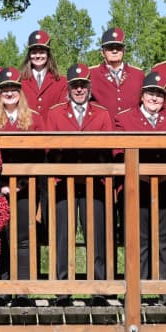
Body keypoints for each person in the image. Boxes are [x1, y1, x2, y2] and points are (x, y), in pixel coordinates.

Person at [114, 71, 166, 304]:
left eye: (159, 94)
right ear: (142, 95)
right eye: (150, 93)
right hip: (136, 189)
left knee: (165, 239)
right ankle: (139, 291)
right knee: (139, 239)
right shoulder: (125, 119)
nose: (154, 98)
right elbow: (116, 152)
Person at [44, 63, 114, 305]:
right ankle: (63, 290)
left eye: (83, 85)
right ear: (69, 88)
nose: (79, 89)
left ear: (89, 86)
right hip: (64, 183)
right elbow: (49, 149)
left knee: (97, 237)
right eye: (75, 85)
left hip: (94, 183)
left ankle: (99, 290)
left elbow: (109, 150)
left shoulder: (102, 113)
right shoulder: (55, 113)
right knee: (63, 236)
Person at [0, 68, 41, 305]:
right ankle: (1, 288)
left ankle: (22, 291)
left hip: (25, 189)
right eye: (5, 89)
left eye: (13, 88)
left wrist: (22, 183)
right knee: (0, 237)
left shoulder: (34, 118)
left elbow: (40, 155)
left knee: (24, 239)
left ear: (20, 91)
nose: (9, 93)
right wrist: (1, 185)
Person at [88, 27, 143, 117]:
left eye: (119, 47)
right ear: (102, 52)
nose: (114, 51)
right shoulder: (92, 74)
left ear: (124, 51)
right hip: (102, 129)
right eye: (110, 48)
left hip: (131, 129)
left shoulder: (138, 74)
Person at [20, 30, 66, 115]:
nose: (37, 56)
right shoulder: (19, 81)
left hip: (52, 127)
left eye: (42, 52)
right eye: (34, 53)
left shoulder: (62, 82)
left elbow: (62, 113)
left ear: (48, 55)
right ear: (29, 55)